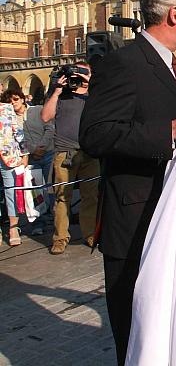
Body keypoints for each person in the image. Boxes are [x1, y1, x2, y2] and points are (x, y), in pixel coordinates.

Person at [80, 0, 176, 365]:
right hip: (135, 224)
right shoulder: (123, 62)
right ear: (173, 14)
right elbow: (95, 135)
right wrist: (170, 132)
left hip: (175, 218)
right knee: (136, 333)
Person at [41, 62, 100, 254]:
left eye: (83, 73)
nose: (79, 77)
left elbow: (104, 104)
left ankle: (90, 234)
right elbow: (45, 117)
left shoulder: (95, 94)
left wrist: (90, 81)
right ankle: (59, 238)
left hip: (90, 152)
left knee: (90, 197)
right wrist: (57, 91)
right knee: (62, 197)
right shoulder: (62, 94)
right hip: (64, 153)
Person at [20, 87, 55, 235]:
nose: (13, 103)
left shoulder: (38, 109)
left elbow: (50, 128)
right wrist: (34, 149)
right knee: (35, 192)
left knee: (51, 188)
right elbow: (18, 139)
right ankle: (38, 223)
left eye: (16, 99)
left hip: (48, 154)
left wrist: (42, 146)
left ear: (22, 99)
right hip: (31, 157)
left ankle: (54, 220)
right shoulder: (11, 118)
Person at [0, 87, 29, 246]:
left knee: (11, 192)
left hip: (8, 157)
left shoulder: (6, 108)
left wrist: (25, 153)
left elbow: (18, 132)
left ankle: (13, 228)